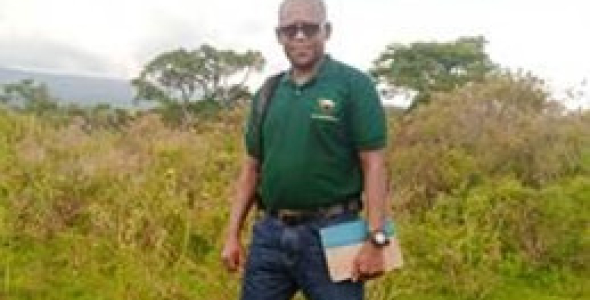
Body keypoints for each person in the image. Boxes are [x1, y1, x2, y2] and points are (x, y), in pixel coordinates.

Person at [222, 0, 390, 299]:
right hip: (270, 235)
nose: (299, 36)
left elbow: (373, 164)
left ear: (326, 31)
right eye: (290, 30)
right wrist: (232, 234)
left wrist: (376, 240)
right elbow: (251, 168)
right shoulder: (268, 93)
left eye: (309, 28)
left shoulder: (353, 85)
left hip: (334, 233)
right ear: (279, 36)